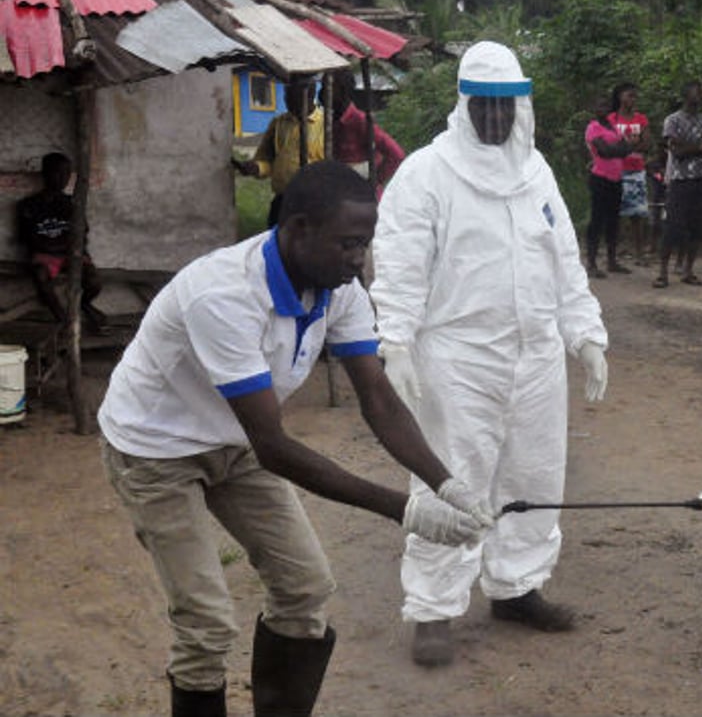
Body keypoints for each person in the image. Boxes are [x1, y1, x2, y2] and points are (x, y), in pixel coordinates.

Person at [98, 161, 494, 717]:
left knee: (304, 589)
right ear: (299, 229)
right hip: (156, 449)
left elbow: (378, 399)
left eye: (365, 243)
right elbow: (275, 447)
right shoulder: (224, 294)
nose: (359, 258)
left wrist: (446, 484)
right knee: (206, 621)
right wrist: (407, 510)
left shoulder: (338, 288)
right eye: (349, 243)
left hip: (233, 442)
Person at [370, 42, 609, 669]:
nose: (497, 119)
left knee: (534, 474)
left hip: (536, 356)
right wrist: (394, 340)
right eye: (486, 107)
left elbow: (564, 261)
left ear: (520, 106)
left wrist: (585, 334)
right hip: (458, 357)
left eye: (508, 106)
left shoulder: (537, 172)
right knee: (452, 474)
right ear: (465, 104)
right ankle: (432, 607)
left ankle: (517, 585)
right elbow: (399, 264)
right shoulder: (427, 173)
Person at [15, 151, 106, 331]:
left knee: (94, 282)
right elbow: (30, 241)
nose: (63, 178)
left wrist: (66, 247)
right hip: (46, 256)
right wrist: (63, 245)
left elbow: (82, 236)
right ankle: (64, 320)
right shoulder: (28, 205)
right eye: (58, 172)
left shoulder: (72, 203)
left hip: (70, 254)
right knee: (40, 275)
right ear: (45, 174)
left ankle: (84, 305)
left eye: (67, 173)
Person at [235, 77, 326, 227]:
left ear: (310, 95)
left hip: (312, 202)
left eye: (293, 97)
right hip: (282, 200)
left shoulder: (325, 125)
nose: (288, 102)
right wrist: (257, 167)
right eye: (286, 96)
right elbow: (268, 159)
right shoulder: (279, 123)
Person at [655, 81, 702, 288]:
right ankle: (663, 271)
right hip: (680, 179)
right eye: (694, 91)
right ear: (685, 95)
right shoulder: (672, 120)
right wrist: (700, 148)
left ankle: (688, 270)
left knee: (697, 226)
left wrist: (693, 148)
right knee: (672, 226)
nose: (698, 95)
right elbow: (676, 150)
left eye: (700, 92)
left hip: (701, 178)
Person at [330, 68, 407, 198]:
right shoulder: (330, 120)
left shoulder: (359, 120)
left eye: (330, 87)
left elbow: (396, 154)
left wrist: (375, 180)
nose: (323, 91)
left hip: (362, 197)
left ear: (342, 91)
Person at [584, 94, 635, 277]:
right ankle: (591, 263)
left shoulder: (612, 127)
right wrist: (620, 149)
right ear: (593, 108)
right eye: (599, 105)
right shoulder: (593, 128)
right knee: (597, 221)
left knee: (613, 221)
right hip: (600, 177)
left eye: (606, 105)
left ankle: (612, 261)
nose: (603, 108)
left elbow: (626, 149)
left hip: (615, 178)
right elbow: (605, 152)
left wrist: (618, 149)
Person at [609, 82, 652, 264]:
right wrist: (632, 144)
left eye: (635, 96)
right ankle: (613, 253)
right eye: (629, 95)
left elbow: (647, 144)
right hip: (615, 170)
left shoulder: (641, 119)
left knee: (637, 214)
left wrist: (624, 146)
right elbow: (608, 144)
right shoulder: (611, 119)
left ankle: (639, 253)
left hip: (635, 169)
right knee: (613, 213)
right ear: (620, 97)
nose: (632, 99)